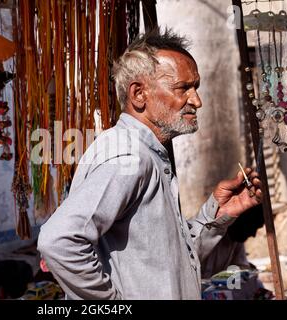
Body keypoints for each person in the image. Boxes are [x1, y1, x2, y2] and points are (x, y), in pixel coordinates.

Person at [37, 27, 263, 300]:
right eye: (183, 88)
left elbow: (172, 259)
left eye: (196, 88)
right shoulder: (129, 157)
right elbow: (59, 241)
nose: (196, 101)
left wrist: (218, 215)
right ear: (139, 94)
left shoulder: (148, 154)